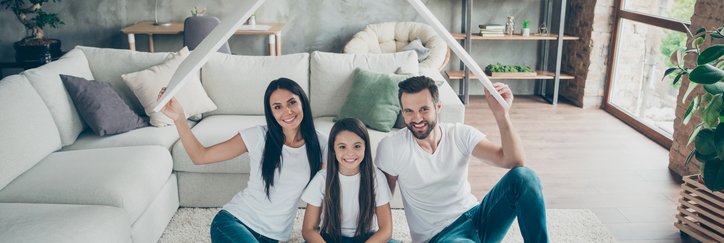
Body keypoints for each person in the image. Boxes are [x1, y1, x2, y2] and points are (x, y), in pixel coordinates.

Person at [375, 76, 548, 243]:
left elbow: (513, 161)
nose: (417, 118)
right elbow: (379, 198)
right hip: (442, 235)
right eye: (409, 111)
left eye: (424, 109)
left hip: (478, 217)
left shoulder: (459, 134)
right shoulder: (392, 148)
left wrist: (502, 114)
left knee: (525, 177)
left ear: (438, 107)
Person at [159, 78, 327, 243]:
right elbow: (200, 156)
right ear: (271, 112)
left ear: (302, 102)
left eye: (292, 102)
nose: (287, 111)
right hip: (233, 223)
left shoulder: (321, 144)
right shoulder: (258, 136)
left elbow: (327, 192)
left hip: (274, 237)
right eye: (278, 107)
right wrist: (179, 118)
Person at [301, 118, 393, 243]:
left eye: (357, 146)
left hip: (366, 238)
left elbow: (386, 230)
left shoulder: (376, 178)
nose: (350, 153)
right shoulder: (322, 179)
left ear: (366, 147)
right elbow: (308, 229)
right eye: (342, 147)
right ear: (333, 149)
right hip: (329, 238)